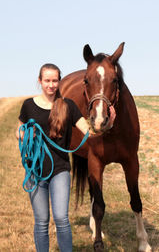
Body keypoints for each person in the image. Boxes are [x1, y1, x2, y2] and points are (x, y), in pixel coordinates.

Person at [16, 63, 115, 252]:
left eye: (54, 80)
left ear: (59, 82)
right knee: (42, 221)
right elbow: (18, 130)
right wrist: (26, 134)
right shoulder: (28, 105)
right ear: (40, 81)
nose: (51, 85)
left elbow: (88, 131)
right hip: (35, 171)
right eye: (47, 80)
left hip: (59, 170)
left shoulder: (67, 105)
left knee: (61, 218)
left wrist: (107, 125)